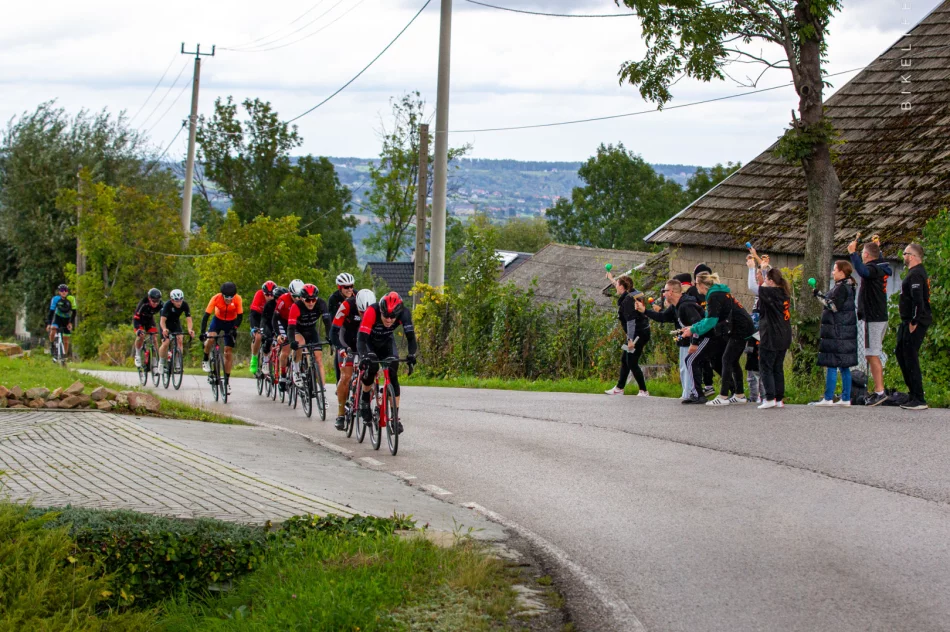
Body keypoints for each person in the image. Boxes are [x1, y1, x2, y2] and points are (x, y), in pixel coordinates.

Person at [681, 272, 755, 406]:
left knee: (726, 359)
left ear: (701, 284)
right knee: (733, 361)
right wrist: (693, 327)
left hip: (740, 328)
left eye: (696, 283)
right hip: (741, 326)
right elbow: (709, 319)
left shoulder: (713, 296)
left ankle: (723, 396)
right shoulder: (717, 292)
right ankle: (739, 395)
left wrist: (692, 330)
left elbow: (711, 322)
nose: (694, 286)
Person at [357, 292, 417, 435]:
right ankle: (365, 401)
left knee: (393, 372)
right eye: (386, 316)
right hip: (369, 342)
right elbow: (361, 339)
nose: (389, 320)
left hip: (386, 342)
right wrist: (364, 356)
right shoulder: (372, 311)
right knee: (371, 367)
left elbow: (411, 338)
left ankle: (395, 418)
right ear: (381, 311)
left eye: (392, 317)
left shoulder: (404, 313)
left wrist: (411, 355)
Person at [638, 278, 704, 401]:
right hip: (685, 342)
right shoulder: (676, 306)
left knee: (689, 366)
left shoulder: (686, 305)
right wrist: (645, 311)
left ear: (672, 291)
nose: (663, 293)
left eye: (665, 290)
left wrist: (694, 342)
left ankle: (692, 393)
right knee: (684, 367)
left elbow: (697, 323)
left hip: (695, 341)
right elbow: (663, 317)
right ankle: (688, 393)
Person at [848, 238, 892, 406]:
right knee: (871, 353)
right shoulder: (881, 267)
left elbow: (862, 271)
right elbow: (872, 264)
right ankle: (878, 389)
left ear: (865, 255)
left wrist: (852, 253)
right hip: (879, 317)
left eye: (862, 254)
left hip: (874, 318)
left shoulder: (872, 269)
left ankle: (880, 391)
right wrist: (878, 250)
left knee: (872, 354)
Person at [812, 260, 858, 407]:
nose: (832, 273)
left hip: (838, 331)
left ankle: (828, 397)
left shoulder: (842, 288)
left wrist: (818, 295)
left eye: (834, 270)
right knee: (844, 366)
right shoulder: (848, 286)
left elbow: (833, 306)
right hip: (844, 331)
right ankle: (845, 398)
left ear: (841, 272)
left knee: (832, 363)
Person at [331, 288, 375, 430]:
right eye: (361, 312)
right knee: (346, 376)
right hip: (347, 340)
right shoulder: (347, 305)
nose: (364, 316)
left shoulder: (376, 309)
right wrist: (340, 347)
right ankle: (341, 414)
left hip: (364, 341)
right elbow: (334, 331)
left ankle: (365, 399)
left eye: (366, 313)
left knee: (373, 369)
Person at [896, 243, 931, 410]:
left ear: (912, 256)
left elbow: (919, 301)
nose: (903, 256)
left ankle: (919, 397)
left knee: (910, 356)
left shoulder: (917, 274)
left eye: (905, 253)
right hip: (906, 321)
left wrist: (914, 321)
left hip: (915, 321)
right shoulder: (912, 273)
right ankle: (912, 393)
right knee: (900, 352)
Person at [604, 273, 650, 396]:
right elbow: (621, 285)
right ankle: (619, 388)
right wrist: (612, 279)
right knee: (625, 359)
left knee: (631, 362)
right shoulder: (634, 293)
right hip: (641, 332)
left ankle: (643, 390)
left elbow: (630, 322)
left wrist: (630, 340)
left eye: (616, 285)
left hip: (637, 335)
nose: (615, 287)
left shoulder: (628, 301)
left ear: (622, 287)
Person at [755, 268, 793, 410]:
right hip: (783, 335)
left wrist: (759, 269)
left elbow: (758, 289)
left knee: (766, 367)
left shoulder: (770, 292)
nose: (764, 282)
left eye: (766, 280)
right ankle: (779, 398)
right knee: (778, 368)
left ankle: (770, 397)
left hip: (771, 336)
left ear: (771, 281)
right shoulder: (784, 293)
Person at [200, 282, 243, 393]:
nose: (229, 299)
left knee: (228, 352)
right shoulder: (215, 298)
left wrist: (235, 327)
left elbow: (240, 316)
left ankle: (227, 382)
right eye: (226, 297)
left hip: (231, 323)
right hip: (217, 321)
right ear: (222, 294)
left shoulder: (238, 299)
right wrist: (202, 332)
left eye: (231, 297)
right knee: (211, 338)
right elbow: (206, 317)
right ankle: (205, 358)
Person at [286, 283, 331, 389]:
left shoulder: (321, 304)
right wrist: (292, 341)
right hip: (298, 330)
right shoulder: (296, 306)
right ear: (302, 299)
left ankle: (322, 391)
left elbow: (327, 322)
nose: (311, 303)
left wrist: (330, 337)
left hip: (311, 331)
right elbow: (291, 327)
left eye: (313, 300)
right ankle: (296, 369)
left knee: (318, 359)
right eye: (307, 300)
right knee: (300, 343)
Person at [685, 263, 717, 398]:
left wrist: (694, 338)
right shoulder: (713, 292)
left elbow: (705, 319)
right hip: (709, 330)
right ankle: (732, 391)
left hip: (708, 331)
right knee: (715, 361)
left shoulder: (708, 294)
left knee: (692, 360)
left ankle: (697, 392)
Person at [328, 273, 356, 384]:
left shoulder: (357, 295)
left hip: (355, 324)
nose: (349, 289)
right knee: (340, 349)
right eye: (346, 287)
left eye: (351, 286)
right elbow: (333, 320)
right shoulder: (334, 298)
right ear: (340, 287)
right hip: (341, 326)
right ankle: (339, 380)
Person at [158, 289, 194, 373]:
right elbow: (162, 321)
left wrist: (190, 329)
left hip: (175, 323)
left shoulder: (184, 305)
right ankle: (162, 362)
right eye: (177, 301)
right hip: (165, 323)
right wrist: (164, 329)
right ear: (172, 300)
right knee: (166, 343)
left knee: (180, 340)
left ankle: (178, 362)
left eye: (181, 300)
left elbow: (189, 319)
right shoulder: (167, 305)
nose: (179, 303)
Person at [248, 280, 276, 375]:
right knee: (258, 336)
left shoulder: (276, 298)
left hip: (269, 317)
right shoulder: (259, 295)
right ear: (263, 293)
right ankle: (254, 359)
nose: (270, 297)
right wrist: (254, 328)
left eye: (272, 295)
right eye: (267, 295)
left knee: (272, 337)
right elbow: (253, 314)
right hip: (258, 316)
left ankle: (268, 359)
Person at [133, 288, 164, 373]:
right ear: (149, 299)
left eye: (157, 301)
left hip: (149, 320)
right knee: (141, 336)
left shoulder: (161, 304)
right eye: (153, 301)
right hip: (139, 320)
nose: (155, 304)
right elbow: (136, 318)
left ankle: (154, 363)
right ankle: (138, 355)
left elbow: (164, 318)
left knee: (154, 338)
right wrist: (138, 330)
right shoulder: (143, 303)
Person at [46, 284, 76, 357]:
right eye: (62, 290)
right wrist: (49, 324)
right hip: (58, 318)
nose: (64, 292)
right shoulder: (55, 299)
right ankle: (52, 345)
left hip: (67, 320)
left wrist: (70, 323)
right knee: (53, 330)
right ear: (59, 292)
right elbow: (51, 312)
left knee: (66, 340)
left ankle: (64, 356)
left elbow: (74, 312)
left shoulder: (71, 299)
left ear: (67, 292)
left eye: (65, 290)